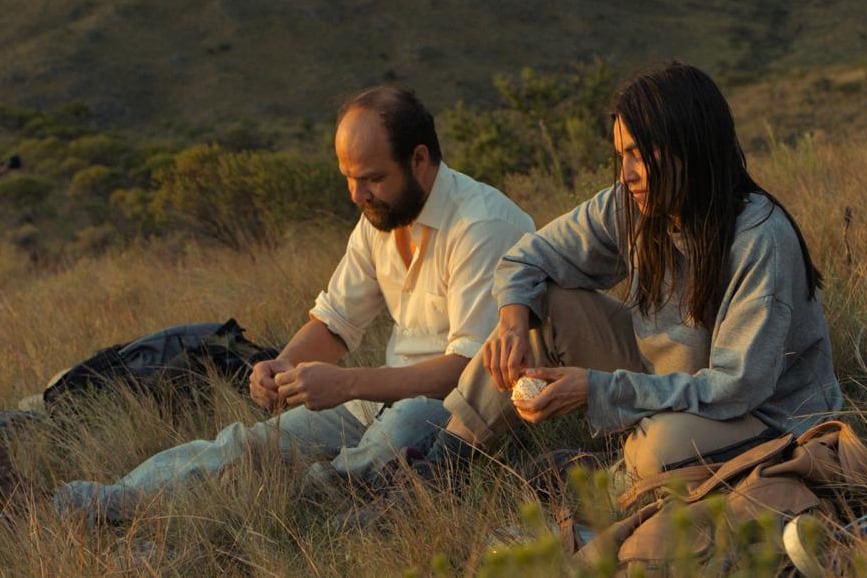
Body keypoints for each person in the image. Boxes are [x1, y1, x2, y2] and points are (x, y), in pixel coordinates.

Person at [54, 86, 534, 521]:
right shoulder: (380, 217)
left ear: (420, 159)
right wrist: (279, 365)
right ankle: (114, 501)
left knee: (395, 434)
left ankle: (301, 504)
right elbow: (335, 324)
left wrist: (347, 383)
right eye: (348, 177)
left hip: (459, 412)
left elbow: (468, 371)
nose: (357, 194)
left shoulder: (480, 226)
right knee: (251, 443)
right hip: (379, 399)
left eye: (371, 178)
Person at [423, 62, 842, 482]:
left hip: (764, 414)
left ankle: (605, 481)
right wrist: (514, 320)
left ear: (691, 147)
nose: (626, 174)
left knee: (661, 449)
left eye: (639, 154)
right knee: (540, 307)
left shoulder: (759, 239)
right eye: (621, 155)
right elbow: (526, 258)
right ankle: (444, 464)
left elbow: (736, 389)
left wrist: (598, 389)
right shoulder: (629, 204)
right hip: (669, 381)